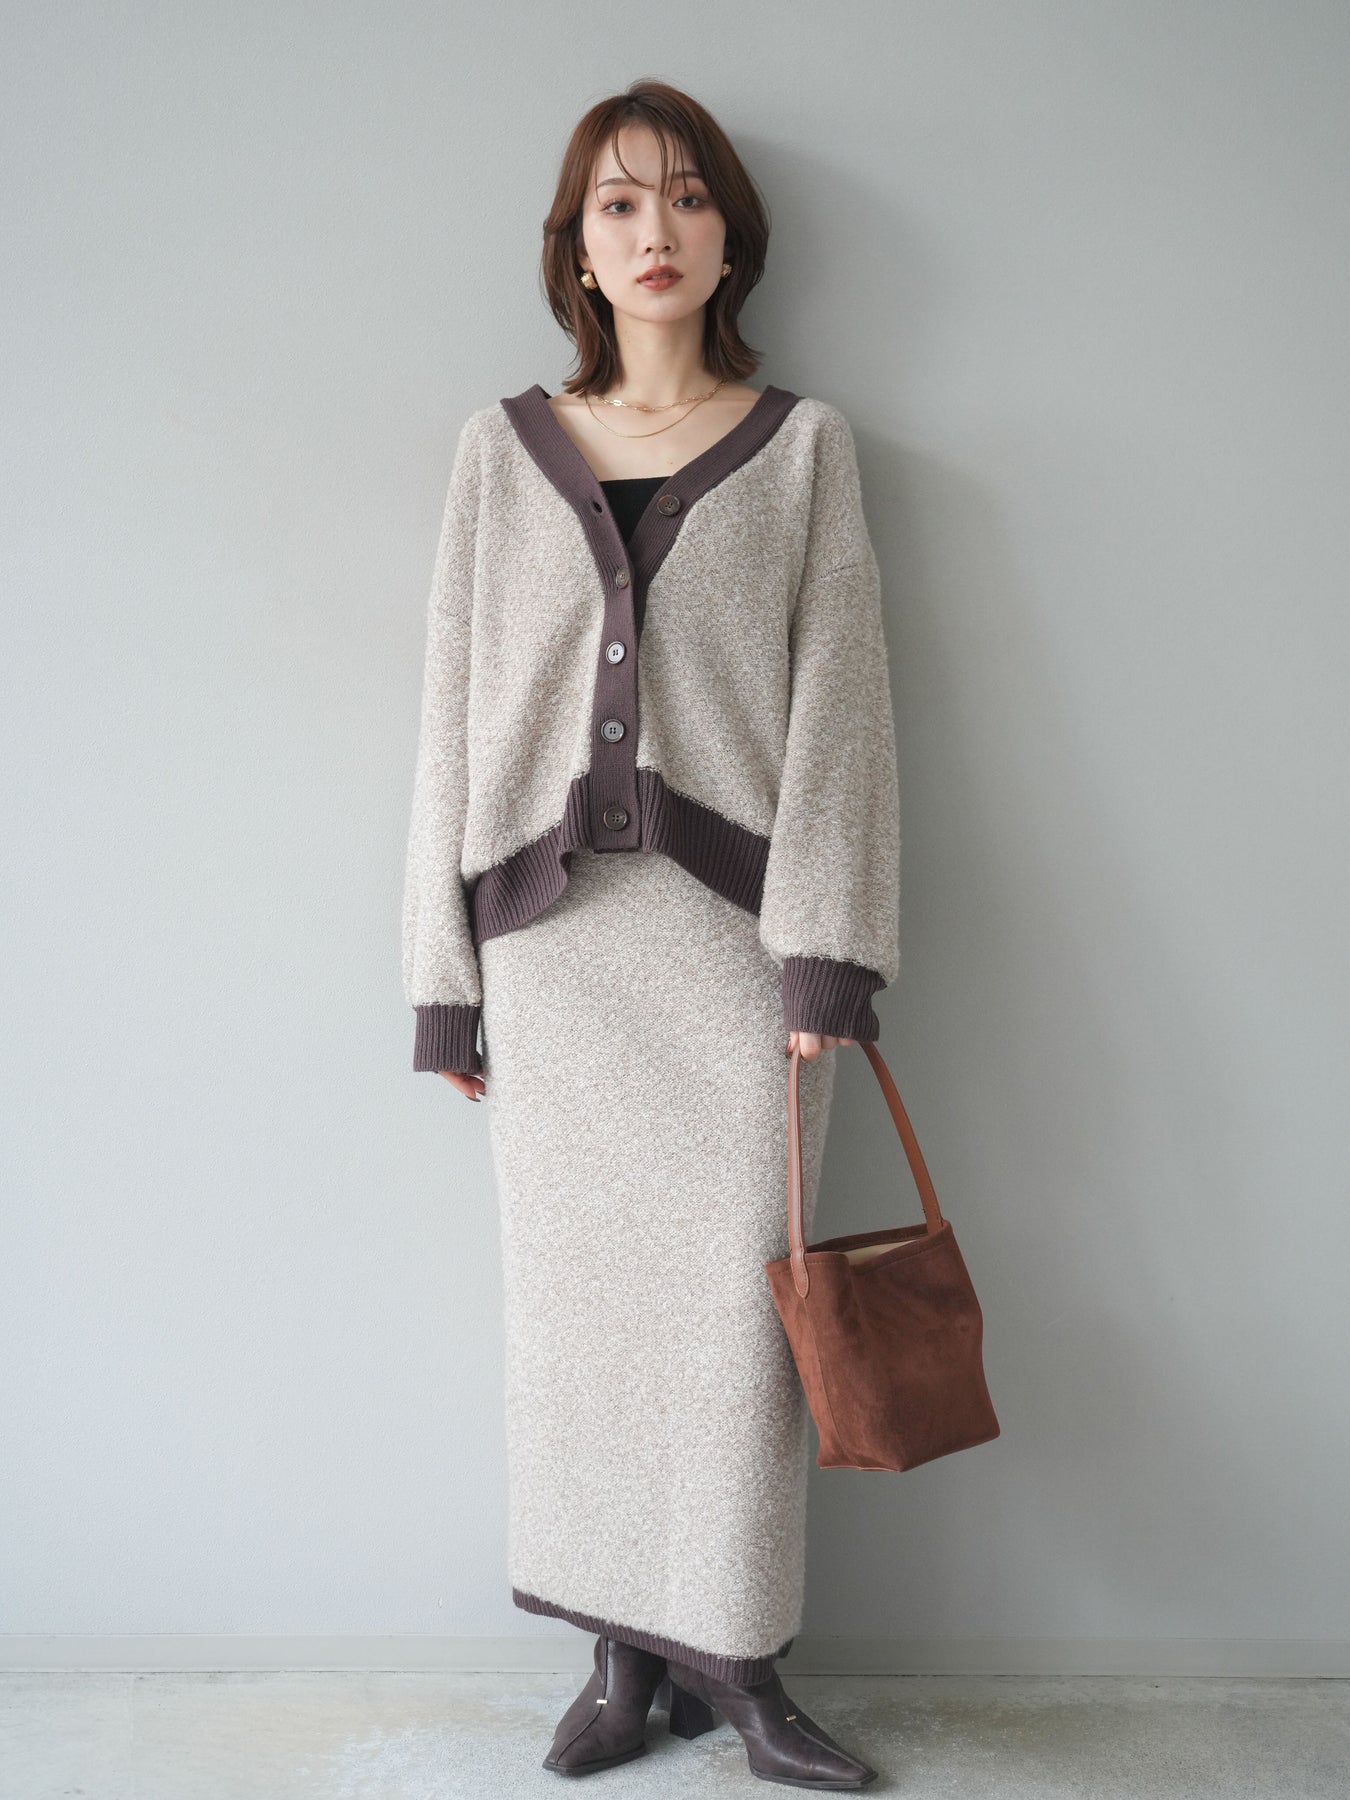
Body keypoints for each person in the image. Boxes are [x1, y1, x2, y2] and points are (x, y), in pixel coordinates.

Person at [401, 79, 900, 1790]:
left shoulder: (805, 447)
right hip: (550, 954)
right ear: (577, 249)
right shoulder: (498, 450)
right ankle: (619, 1663)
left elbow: (843, 716)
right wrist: (441, 984)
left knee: (733, 1330)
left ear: (729, 238)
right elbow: (449, 717)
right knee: (576, 1323)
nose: (654, 230)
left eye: (685, 198)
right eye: (617, 204)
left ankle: (738, 1664)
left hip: (736, 955)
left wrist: (829, 955)